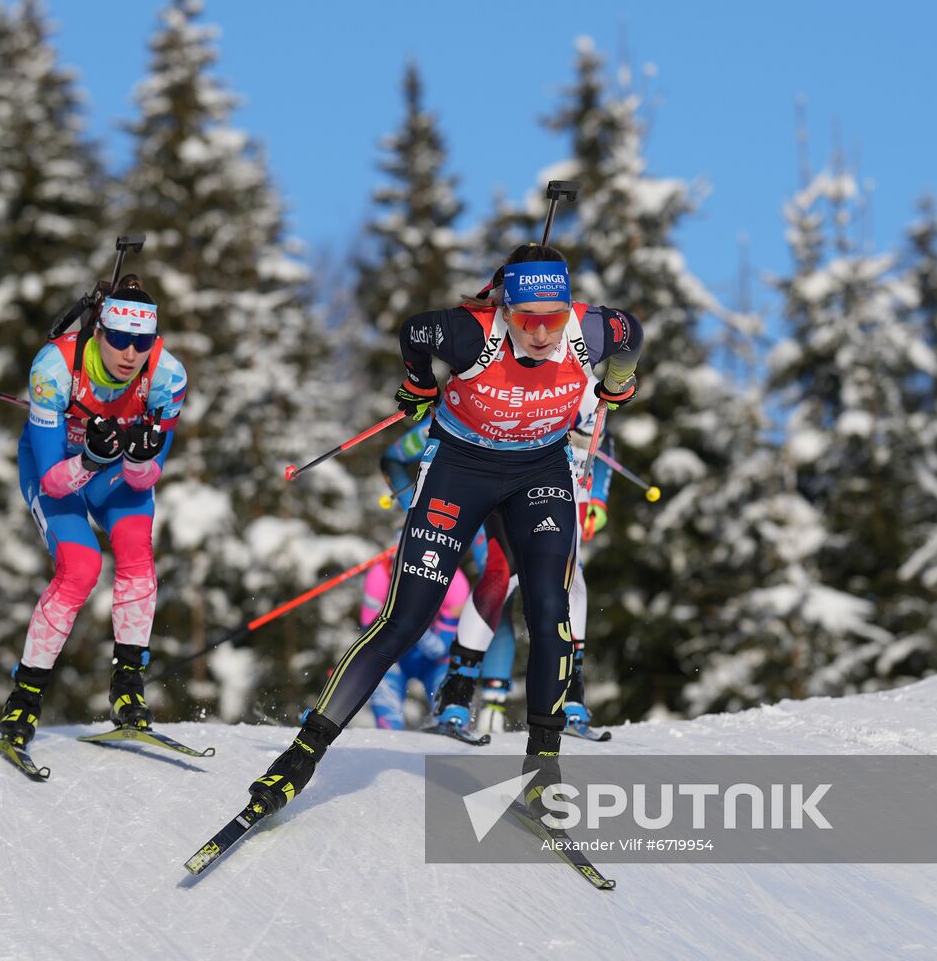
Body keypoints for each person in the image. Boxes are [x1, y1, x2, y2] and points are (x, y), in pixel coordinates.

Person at [244, 242, 642, 818]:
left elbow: (631, 334)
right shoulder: (467, 334)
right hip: (462, 468)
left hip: (541, 469)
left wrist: (619, 385)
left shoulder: (593, 331)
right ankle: (300, 758)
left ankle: (542, 770)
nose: (541, 334)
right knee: (403, 620)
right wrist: (420, 385)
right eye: (527, 320)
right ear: (505, 309)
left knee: (550, 611)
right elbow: (413, 333)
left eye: (553, 319)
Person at [0, 275, 187, 748]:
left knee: (136, 552)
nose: (129, 354)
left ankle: (127, 688)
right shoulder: (54, 369)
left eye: (141, 342)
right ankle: (24, 699)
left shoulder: (168, 376)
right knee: (81, 567)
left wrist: (141, 459)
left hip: (114, 472)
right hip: (59, 467)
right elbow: (51, 478)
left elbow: (147, 479)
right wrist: (89, 459)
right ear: (98, 332)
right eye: (119, 339)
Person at [449, 374, 619, 735]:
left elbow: (603, 443)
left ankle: (571, 700)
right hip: (514, 477)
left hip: (567, 482)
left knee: (571, 579)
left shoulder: (587, 381)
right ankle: (455, 697)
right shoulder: (523, 356)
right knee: (502, 573)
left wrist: (598, 501)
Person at [366, 420, 486, 729]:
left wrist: (433, 638)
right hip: (395, 655)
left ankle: (451, 720)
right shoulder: (381, 573)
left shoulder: (454, 577)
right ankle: (387, 733)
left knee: (449, 669)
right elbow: (369, 628)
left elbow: (449, 638)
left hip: (434, 659)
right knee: (377, 669)